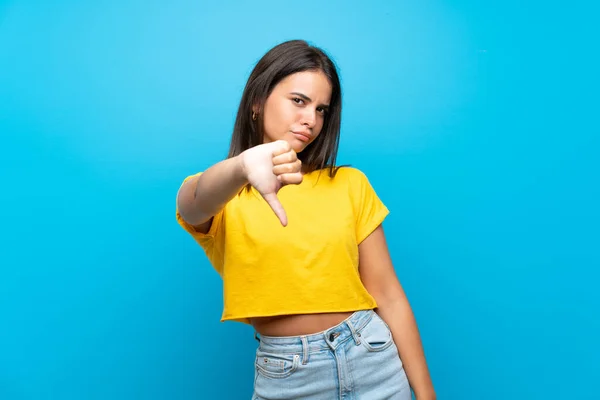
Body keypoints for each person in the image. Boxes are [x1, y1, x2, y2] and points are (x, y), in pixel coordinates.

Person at [175, 39, 436, 400]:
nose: (310, 119)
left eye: (322, 109)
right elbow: (191, 204)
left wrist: (426, 393)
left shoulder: (348, 184)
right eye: (298, 101)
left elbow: (388, 294)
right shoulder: (224, 194)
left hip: (372, 356)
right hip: (287, 373)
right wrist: (244, 166)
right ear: (257, 100)